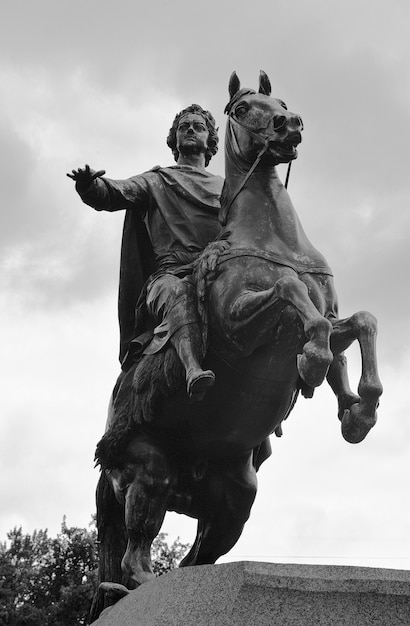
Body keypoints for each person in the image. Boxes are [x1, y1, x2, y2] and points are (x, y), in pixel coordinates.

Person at [67, 104, 224, 400]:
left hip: (217, 273)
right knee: (178, 294)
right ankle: (192, 369)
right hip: (170, 276)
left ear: (211, 140)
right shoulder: (156, 180)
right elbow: (114, 193)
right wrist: (90, 186)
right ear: (174, 140)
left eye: (198, 126)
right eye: (183, 127)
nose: (190, 130)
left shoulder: (228, 189)